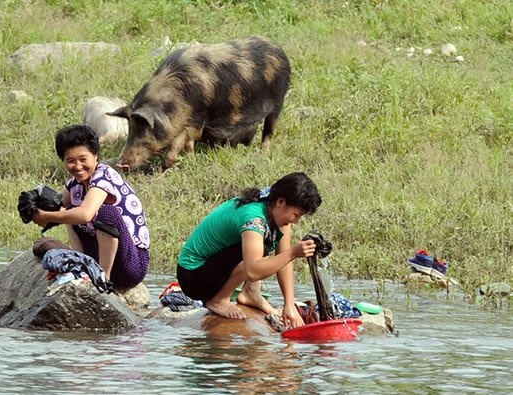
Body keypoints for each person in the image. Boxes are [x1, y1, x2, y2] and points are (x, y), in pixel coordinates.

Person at [176, 172, 322, 328]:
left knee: (262, 247)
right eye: (295, 215)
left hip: (214, 267)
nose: (296, 221)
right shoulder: (253, 219)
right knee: (259, 251)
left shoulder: (273, 208)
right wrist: (293, 252)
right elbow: (253, 270)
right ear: (280, 201)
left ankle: (250, 292)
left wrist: (289, 304)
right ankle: (219, 300)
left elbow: (284, 260)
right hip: (193, 275)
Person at [32, 124, 150, 290]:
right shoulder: (75, 185)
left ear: (95, 156)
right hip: (98, 254)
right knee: (59, 225)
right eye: (70, 161)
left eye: (83, 159)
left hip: (130, 265)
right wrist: (34, 206)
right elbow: (55, 205)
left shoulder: (104, 176)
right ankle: (82, 263)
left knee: (105, 213)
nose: (78, 166)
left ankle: (103, 277)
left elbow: (86, 214)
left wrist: (47, 216)